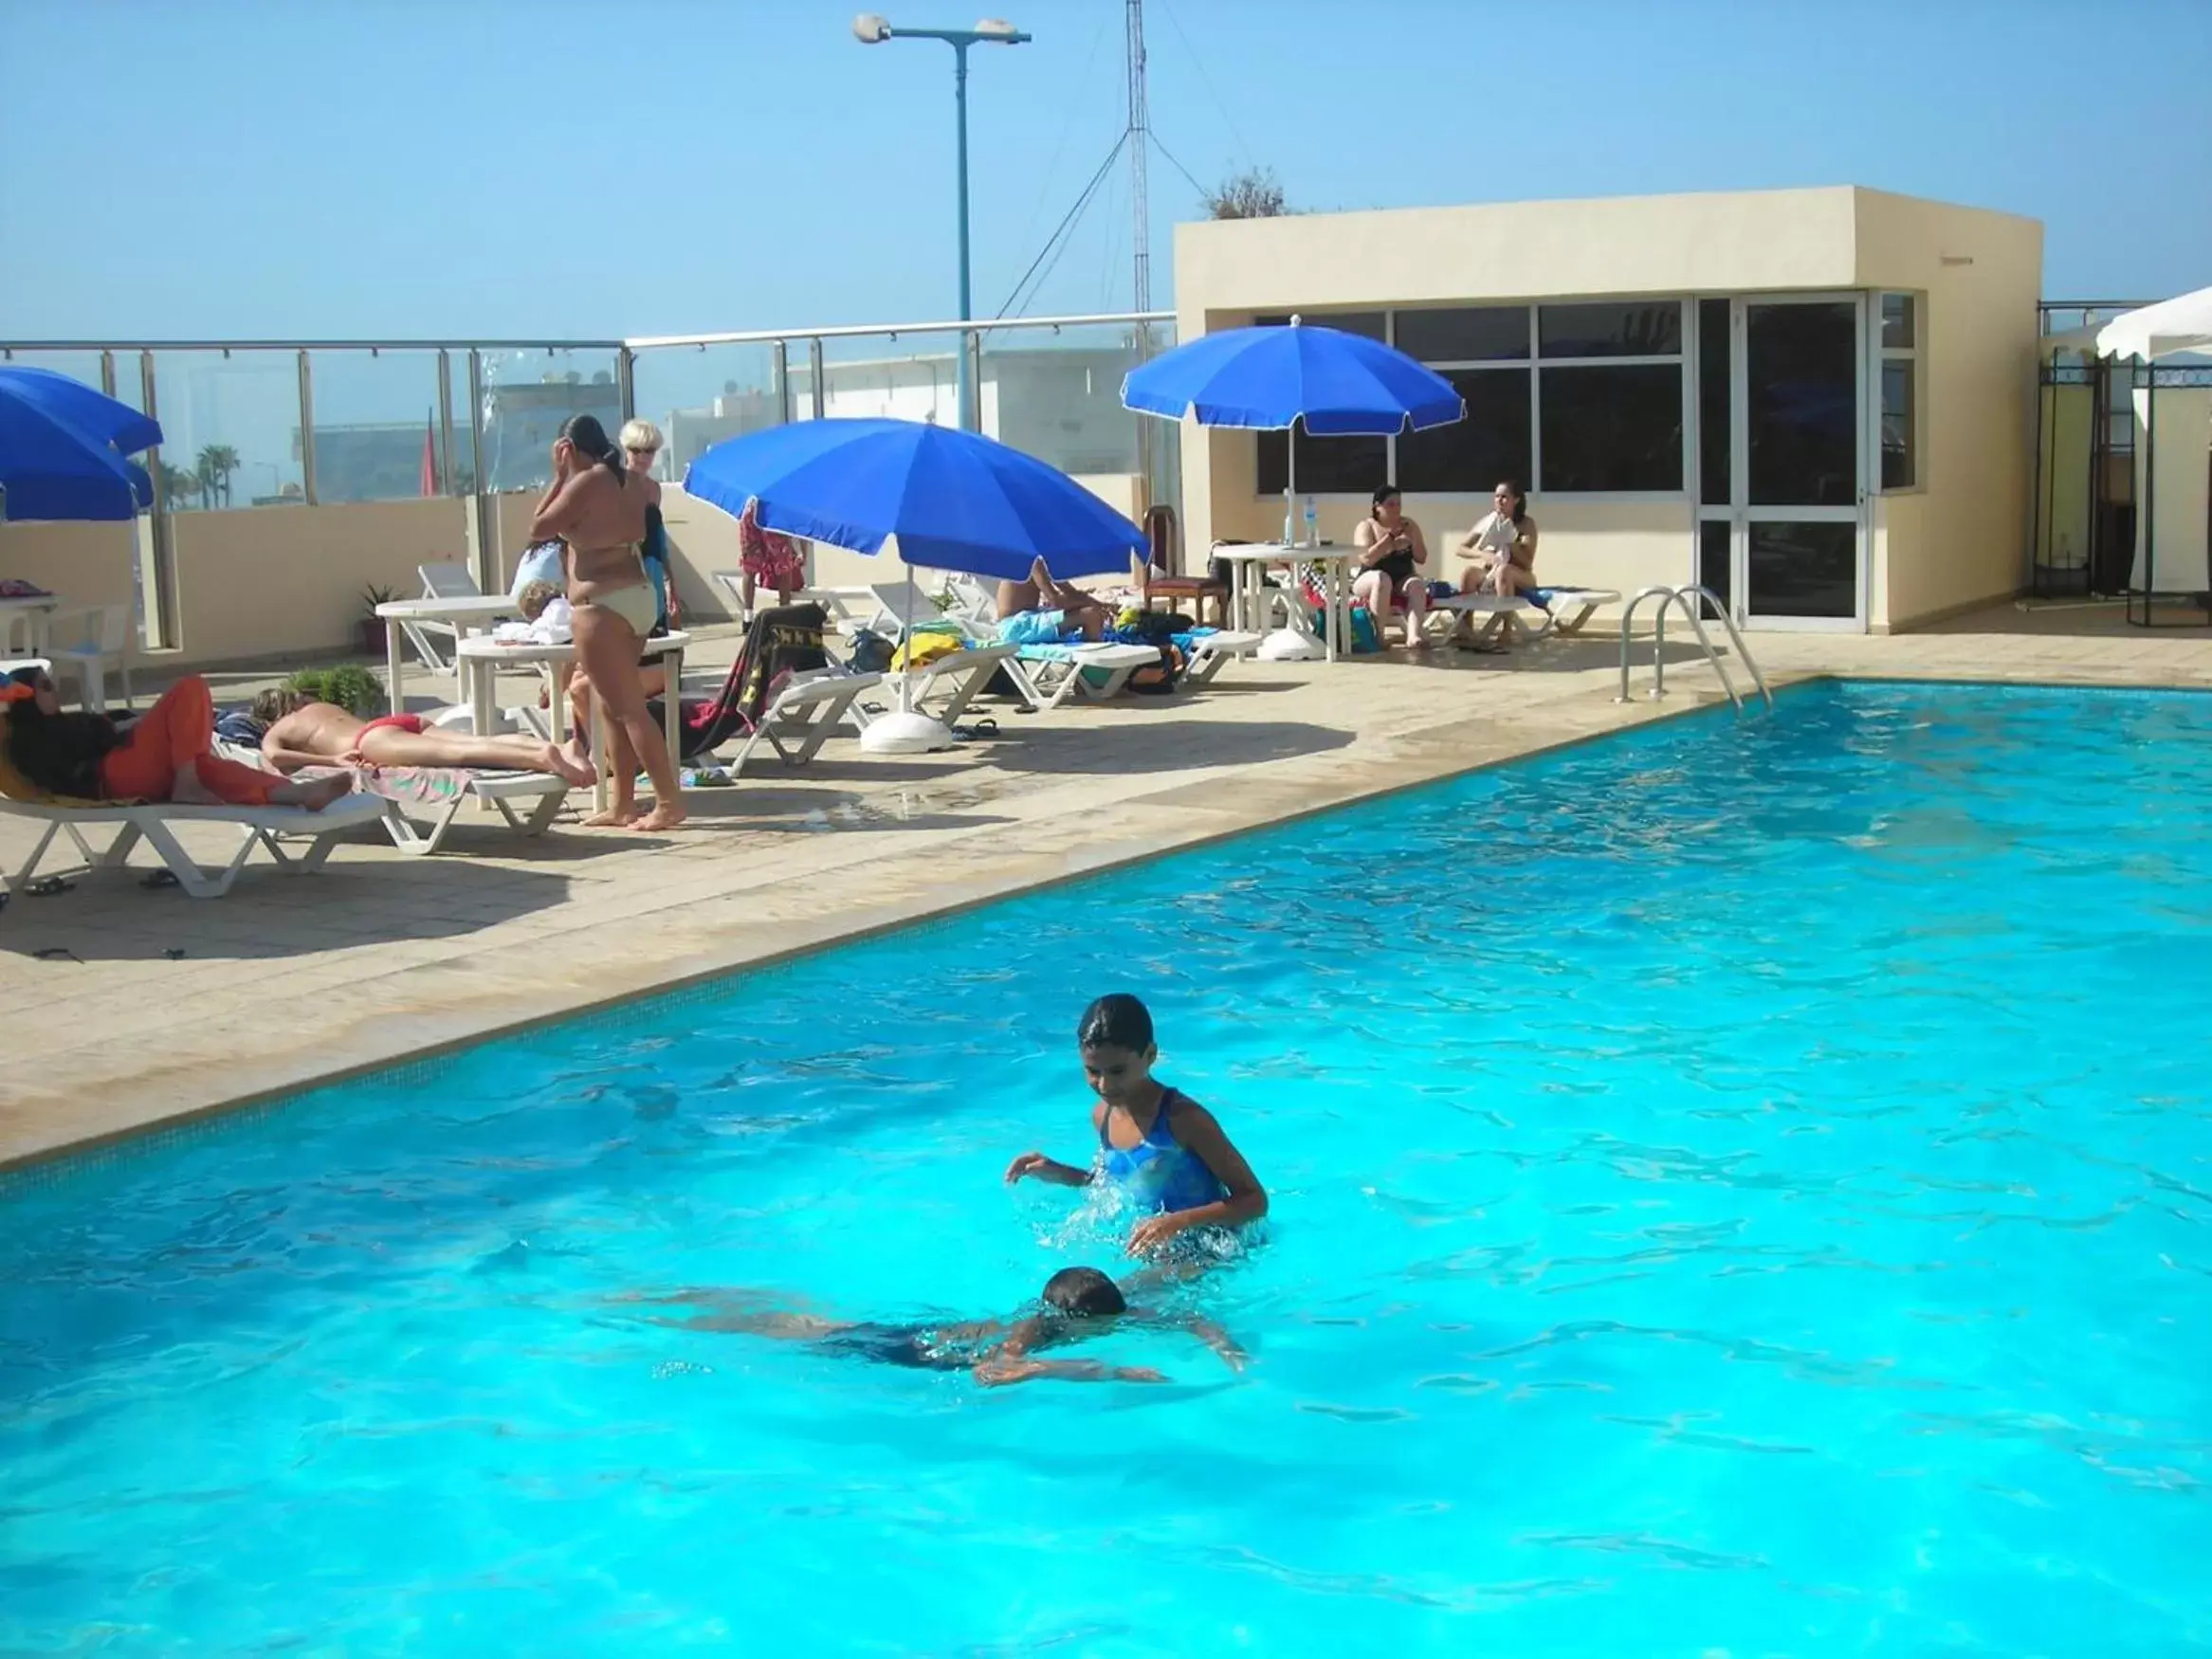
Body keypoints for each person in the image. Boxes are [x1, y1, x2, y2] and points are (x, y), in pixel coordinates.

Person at [623, 1265, 1246, 1388]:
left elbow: (1187, 1315)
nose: (1112, 1332)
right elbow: (993, 1372)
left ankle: (687, 1294)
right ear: (1069, 1321)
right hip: (909, 1351)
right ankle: (677, 1305)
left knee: (812, 1322)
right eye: (1101, 1333)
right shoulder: (1037, 1329)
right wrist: (1101, 1371)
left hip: (939, 1331)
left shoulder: (1103, 1308)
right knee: (802, 1333)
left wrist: (1226, 1349)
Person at [1005, 994, 1268, 1258]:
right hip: (1161, 1249)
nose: (1104, 1085)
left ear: (1150, 1055)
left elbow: (1254, 1199)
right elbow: (1121, 1186)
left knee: (1110, 1297)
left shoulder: (1184, 1119)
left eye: (1117, 1071)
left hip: (1212, 1252)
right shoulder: (1102, 1116)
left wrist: (1177, 1222)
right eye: (1093, 1071)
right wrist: (1060, 1173)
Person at [530, 412, 685, 831]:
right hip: (637, 598)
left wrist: (560, 474)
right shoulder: (636, 483)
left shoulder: (588, 481)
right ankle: (623, 804)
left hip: (601, 606)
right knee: (610, 707)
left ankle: (669, 802)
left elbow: (539, 527)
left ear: (570, 448)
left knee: (630, 709)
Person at [1, 668, 351, 811]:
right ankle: (187, 784)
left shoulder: (55, 725)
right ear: (27, 696)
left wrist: (126, 724)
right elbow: (74, 754)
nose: (55, 690)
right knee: (190, 687)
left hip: (127, 770)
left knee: (209, 766)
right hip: (112, 776)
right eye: (46, 686)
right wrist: (114, 730)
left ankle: (300, 794)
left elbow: (97, 729)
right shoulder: (30, 736)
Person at [251, 689, 594, 786]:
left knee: (461, 756)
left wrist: (331, 762)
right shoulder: (320, 706)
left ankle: (541, 758)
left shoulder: (280, 728)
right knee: (473, 740)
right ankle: (552, 746)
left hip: (370, 741)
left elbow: (276, 758)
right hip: (397, 721)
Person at [1453, 480, 1540, 650]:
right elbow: (1460, 548)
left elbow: (1527, 562)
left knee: (1504, 571)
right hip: (1492, 572)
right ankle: (1466, 627)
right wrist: (1484, 554)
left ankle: (1507, 629)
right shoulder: (1490, 521)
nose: (1499, 501)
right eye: (1497, 497)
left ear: (1516, 500)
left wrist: (1512, 544)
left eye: (1504, 497)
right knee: (1469, 574)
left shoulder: (1526, 524)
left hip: (1520, 575)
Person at [1350, 485, 1432, 650]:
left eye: (1399, 504)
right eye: (1391, 504)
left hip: (1401, 579)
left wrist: (1413, 539)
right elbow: (1366, 558)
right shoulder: (1367, 526)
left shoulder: (1409, 524)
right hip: (1369, 579)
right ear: (1377, 507)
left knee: (1417, 584)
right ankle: (1379, 636)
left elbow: (1421, 558)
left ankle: (1413, 635)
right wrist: (1391, 540)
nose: (1396, 509)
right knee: (1382, 579)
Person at [619, 419, 680, 634]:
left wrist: (672, 583)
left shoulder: (654, 489)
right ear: (625, 449)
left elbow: (659, 540)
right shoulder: (617, 485)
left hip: (652, 572)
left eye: (649, 451)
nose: (643, 457)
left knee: (657, 634)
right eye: (636, 450)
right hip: (625, 571)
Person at [994, 556, 1111, 646]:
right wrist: (1092, 604)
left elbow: (1072, 593)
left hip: (1026, 620)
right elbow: (1056, 600)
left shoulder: (1040, 562)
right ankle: (1090, 673)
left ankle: (1087, 671)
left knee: (1092, 612)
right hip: (1016, 627)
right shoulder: (1031, 561)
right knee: (1091, 615)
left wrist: (1099, 604)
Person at [736, 497, 808, 617]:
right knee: (783, 567)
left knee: (750, 566)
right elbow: (800, 524)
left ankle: (748, 617)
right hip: (775, 508)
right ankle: (783, 615)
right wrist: (804, 552)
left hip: (752, 506)